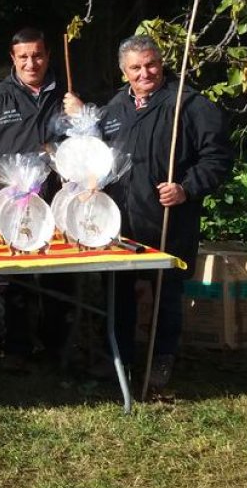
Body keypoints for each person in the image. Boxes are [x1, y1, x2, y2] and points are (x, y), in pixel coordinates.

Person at [75, 35, 232, 388]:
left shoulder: (188, 105)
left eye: (151, 64)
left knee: (166, 295)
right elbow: (102, 160)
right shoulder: (114, 109)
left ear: (161, 63)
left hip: (167, 220)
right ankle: (119, 357)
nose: (145, 72)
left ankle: (161, 358)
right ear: (123, 71)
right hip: (121, 221)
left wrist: (187, 188)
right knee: (119, 294)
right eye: (135, 68)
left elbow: (218, 157)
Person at [0, 28, 75, 371]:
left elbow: (87, 147)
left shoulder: (66, 97)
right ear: (13, 58)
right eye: (23, 56)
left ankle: (55, 345)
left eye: (38, 55)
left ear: (48, 56)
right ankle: (16, 346)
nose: (31, 63)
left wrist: (81, 115)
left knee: (58, 272)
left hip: (55, 201)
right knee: (10, 276)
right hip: (6, 200)